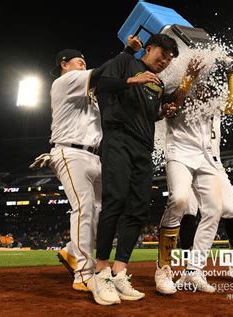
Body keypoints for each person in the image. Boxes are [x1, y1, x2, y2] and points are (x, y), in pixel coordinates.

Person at [87, 34, 179, 306]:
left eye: (169, 59)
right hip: (118, 138)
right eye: (161, 55)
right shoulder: (125, 61)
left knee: (138, 208)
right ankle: (100, 271)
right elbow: (101, 85)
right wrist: (132, 79)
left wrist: (164, 112)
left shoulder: (158, 83)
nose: (164, 62)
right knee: (115, 198)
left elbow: (150, 114)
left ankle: (119, 272)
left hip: (143, 147)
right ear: (148, 49)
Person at [45, 47, 106, 293]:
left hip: (94, 155)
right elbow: (104, 73)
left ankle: (71, 251)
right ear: (64, 64)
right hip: (70, 152)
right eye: (79, 62)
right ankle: (82, 274)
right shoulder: (64, 81)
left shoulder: (90, 95)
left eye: (84, 63)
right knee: (84, 207)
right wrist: (128, 55)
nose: (83, 66)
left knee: (103, 211)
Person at [177, 60, 233, 281]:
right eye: (199, 85)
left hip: (213, 165)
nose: (203, 88)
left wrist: (231, 75)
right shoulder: (184, 102)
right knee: (187, 211)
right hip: (187, 162)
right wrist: (188, 75)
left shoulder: (214, 106)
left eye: (206, 85)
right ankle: (190, 268)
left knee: (231, 210)